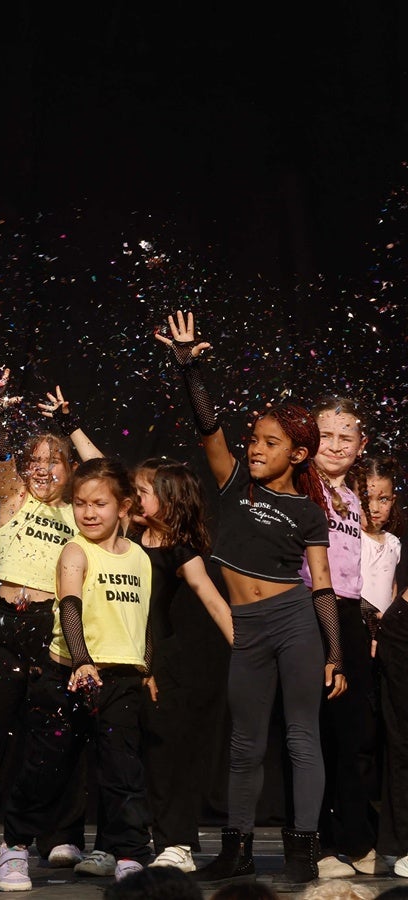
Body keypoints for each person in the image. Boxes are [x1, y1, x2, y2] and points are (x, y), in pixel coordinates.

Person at [156, 310, 345, 889]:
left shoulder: (309, 512)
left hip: (294, 623)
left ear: (299, 454)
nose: (256, 449)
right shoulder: (235, 483)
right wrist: (189, 368)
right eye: (255, 440)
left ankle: (302, 854)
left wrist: (334, 650)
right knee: (243, 744)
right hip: (248, 628)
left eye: (270, 443)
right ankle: (236, 851)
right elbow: (208, 426)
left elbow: (323, 584)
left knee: (301, 738)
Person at [0, 369, 104, 873]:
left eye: (55, 462)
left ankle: (61, 833)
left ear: (70, 471)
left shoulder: (80, 512)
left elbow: (103, 469)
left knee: (56, 731)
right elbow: (1, 458)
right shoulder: (14, 499)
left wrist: (70, 426)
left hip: (54, 624)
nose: (43, 469)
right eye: (35, 462)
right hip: (6, 623)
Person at [0, 457, 154, 890]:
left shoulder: (140, 558)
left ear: (123, 506)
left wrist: (148, 667)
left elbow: (141, 620)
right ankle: (14, 845)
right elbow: (69, 605)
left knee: (124, 772)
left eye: (99, 503)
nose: (88, 512)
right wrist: (82, 659)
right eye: (81, 503)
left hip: (120, 681)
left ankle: (128, 853)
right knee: (46, 768)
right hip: (67, 677)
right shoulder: (75, 550)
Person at [130, 459, 233, 873]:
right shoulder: (128, 535)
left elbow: (211, 598)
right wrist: (72, 427)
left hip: (162, 662)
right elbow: (101, 471)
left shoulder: (179, 550)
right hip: (121, 655)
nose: (133, 497)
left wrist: (248, 651)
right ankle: (121, 841)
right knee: (125, 753)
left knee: (167, 753)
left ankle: (179, 844)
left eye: (142, 491)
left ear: (168, 501)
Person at [303, 398, 380, 877]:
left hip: (349, 613)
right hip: (310, 608)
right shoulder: (299, 488)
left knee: (355, 733)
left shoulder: (352, 497)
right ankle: (321, 843)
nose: (334, 446)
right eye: (325, 436)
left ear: (361, 445)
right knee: (315, 732)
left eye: (345, 438)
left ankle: (355, 836)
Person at [362, 457, 408, 877]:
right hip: (359, 633)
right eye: (368, 497)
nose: (375, 507)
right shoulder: (345, 535)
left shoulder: (395, 541)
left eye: (384, 499)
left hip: (386, 633)